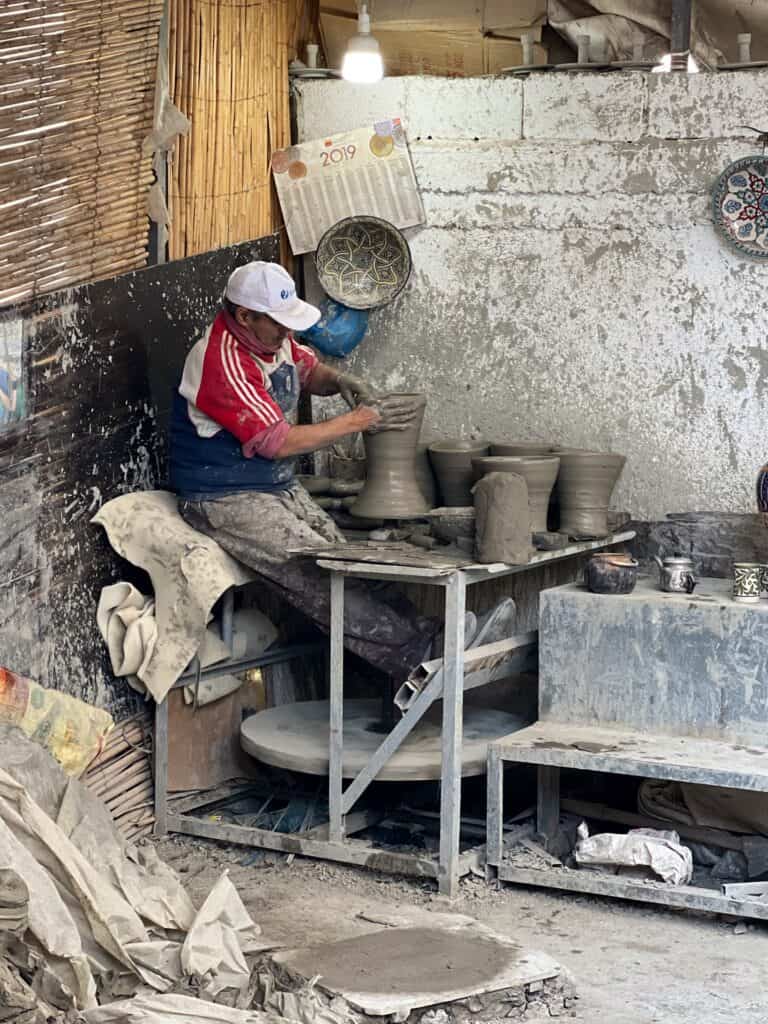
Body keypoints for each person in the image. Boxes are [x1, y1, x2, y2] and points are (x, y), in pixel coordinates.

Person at [170, 261, 437, 681]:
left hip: (272, 486)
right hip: (222, 497)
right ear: (245, 316)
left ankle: (430, 638)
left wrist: (342, 380)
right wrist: (355, 422)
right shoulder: (222, 362)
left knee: (349, 558)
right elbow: (278, 443)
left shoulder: (269, 340)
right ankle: (420, 658)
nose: (286, 334)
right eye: (278, 325)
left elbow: (308, 369)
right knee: (321, 574)